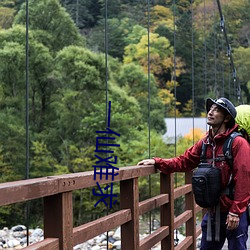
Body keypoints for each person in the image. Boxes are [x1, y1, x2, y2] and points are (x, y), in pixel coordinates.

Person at [137, 97, 250, 250]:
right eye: (210, 109)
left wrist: (236, 212)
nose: (210, 112)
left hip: (233, 211)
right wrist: (157, 162)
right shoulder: (205, 143)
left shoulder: (238, 143)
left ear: (227, 118)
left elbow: (244, 178)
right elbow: (184, 161)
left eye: (216, 110)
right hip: (213, 211)